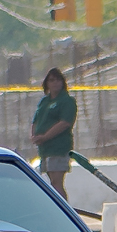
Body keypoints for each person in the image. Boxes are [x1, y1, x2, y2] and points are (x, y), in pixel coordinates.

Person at [30, 68, 78, 199]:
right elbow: (36, 120)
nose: (55, 83)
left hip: (58, 147)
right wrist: (34, 136)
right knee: (51, 182)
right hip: (45, 149)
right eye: (52, 80)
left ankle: (63, 208)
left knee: (57, 183)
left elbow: (65, 123)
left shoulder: (67, 101)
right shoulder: (44, 102)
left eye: (58, 80)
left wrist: (45, 137)